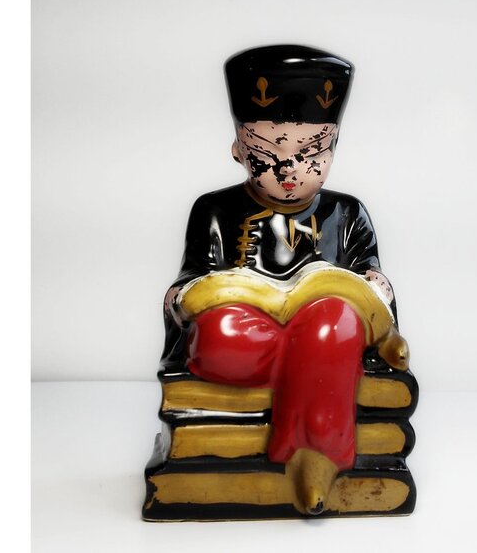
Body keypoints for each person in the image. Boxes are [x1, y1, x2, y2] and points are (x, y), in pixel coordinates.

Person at [161, 45, 409, 515]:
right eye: (265, 152)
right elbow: (191, 280)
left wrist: (375, 288)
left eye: (310, 152)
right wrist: (187, 295)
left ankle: (313, 456)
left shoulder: (346, 213)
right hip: (250, 332)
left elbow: (371, 275)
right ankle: (317, 369)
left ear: (333, 148)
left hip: (327, 322)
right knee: (218, 331)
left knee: (334, 319)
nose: (288, 169)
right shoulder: (214, 209)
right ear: (238, 149)